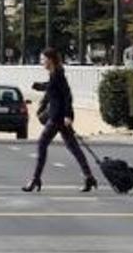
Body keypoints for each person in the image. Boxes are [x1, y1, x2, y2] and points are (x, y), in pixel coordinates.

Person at [23, 48, 96, 193]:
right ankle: (89, 177)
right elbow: (52, 88)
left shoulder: (58, 75)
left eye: (43, 59)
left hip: (58, 118)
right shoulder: (55, 75)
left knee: (42, 144)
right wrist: (39, 86)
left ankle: (36, 179)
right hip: (59, 117)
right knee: (73, 148)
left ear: (50, 60)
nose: (41, 62)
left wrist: (68, 116)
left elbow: (67, 96)